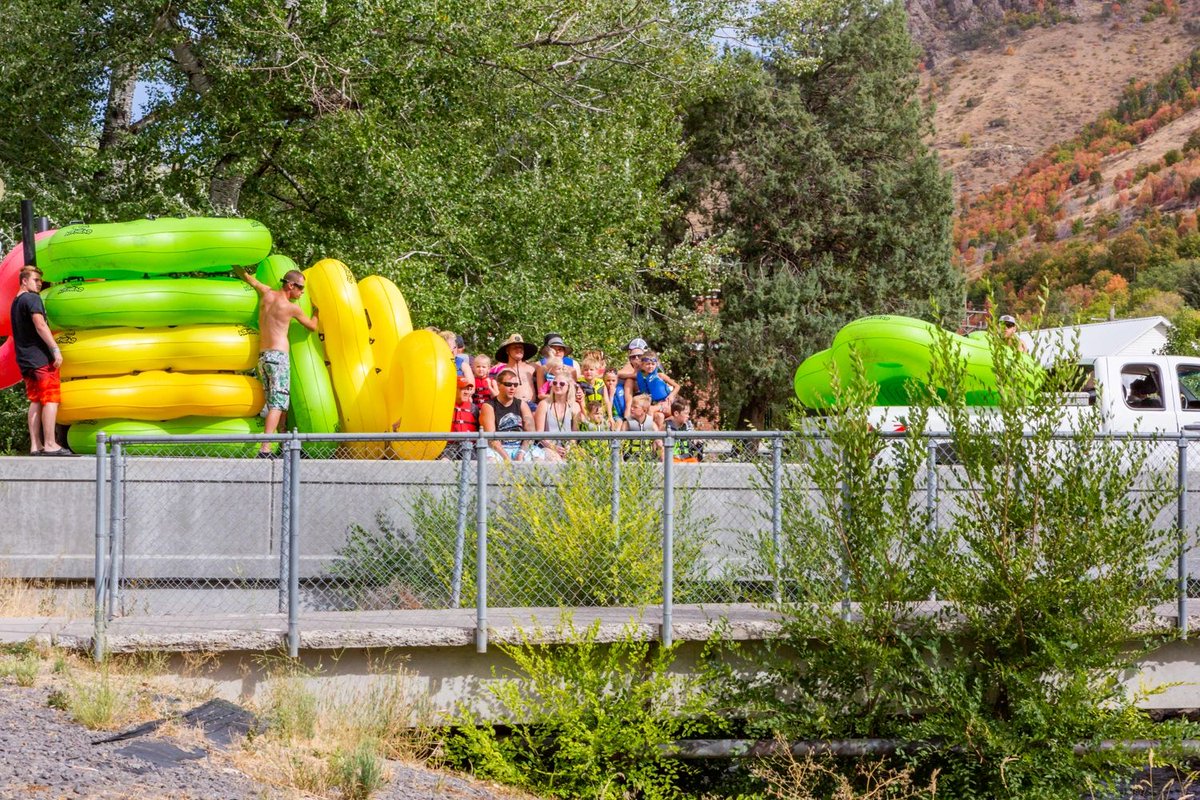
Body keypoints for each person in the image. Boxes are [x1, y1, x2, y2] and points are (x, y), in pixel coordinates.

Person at [234, 264, 319, 457]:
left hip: (263, 358)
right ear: (290, 285)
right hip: (278, 357)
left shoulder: (266, 293)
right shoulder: (291, 308)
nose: (302, 293)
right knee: (278, 404)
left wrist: (236, 265)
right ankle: (265, 449)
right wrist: (316, 312)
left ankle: (282, 443)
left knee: (278, 401)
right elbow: (312, 327)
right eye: (301, 288)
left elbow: (249, 278)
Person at [11, 266, 68, 455]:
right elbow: (41, 325)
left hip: (26, 360)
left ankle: (36, 446)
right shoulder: (32, 298)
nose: (39, 284)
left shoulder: (16, 302)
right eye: (35, 280)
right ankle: (50, 444)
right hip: (41, 359)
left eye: (40, 280)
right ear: (24, 280)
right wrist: (55, 349)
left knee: (35, 400)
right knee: (51, 399)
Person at [480, 367, 541, 462]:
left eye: (515, 385)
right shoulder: (489, 406)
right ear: (498, 385)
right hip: (498, 449)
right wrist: (507, 458)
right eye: (508, 384)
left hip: (520, 448)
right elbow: (491, 439)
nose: (512, 388)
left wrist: (521, 453)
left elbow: (531, 433)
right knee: (490, 458)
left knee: (538, 457)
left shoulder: (522, 404)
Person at [534, 373, 578, 460]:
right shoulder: (544, 404)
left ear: (569, 387)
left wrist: (569, 448)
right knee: (555, 459)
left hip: (567, 447)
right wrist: (553, 447)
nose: (557, 386)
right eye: (554, 383)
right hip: (547, 447)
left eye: (562, 384)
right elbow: (539, 434)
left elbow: (575, 433)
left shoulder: (575, 406)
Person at [634, 349, 680, 427]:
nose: (650, 366)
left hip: (668, 404)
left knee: (650, 409)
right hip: (658, 405)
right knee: (659, 416)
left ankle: (645, 431)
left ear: (656, 364)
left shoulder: (660, 375)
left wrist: (671, 395)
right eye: (648, 364)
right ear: (642, 365)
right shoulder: (645, 379)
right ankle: (657, 434)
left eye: (653, 364)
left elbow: (677, 386)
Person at [492, 333, 539, 409]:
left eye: (521, 347)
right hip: (514, 408)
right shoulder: (503, 372)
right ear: (507, 351)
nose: (519, 349)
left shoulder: (532, 367)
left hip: (533, 407)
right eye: (515, 347)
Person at [445, 378, 479, 460]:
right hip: (449, 447)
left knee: (473, 462)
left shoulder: (474, 408)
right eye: (462, 389)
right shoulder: (446, 406)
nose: (466, 392)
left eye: (468, 389)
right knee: (444, 461)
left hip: (469, 446)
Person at [535, 333, 578, 398]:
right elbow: (541, 394)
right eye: (554, 349)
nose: (557, 352)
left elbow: (574, 391)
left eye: (560, 349)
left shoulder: (572, 370)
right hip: (548, 401)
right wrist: (555, 397)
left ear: (564, 352)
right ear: (549, 352)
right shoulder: (542, 369)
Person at [622, 394, 662, 460]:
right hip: (631, 459)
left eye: (635, 407)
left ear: (644, 410)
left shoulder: (652, 424)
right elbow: (621, 444)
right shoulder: (627, 423)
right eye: (631, 406)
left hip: (648, 458)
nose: (631, 409)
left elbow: (659, 443)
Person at [617, 337, 647, 417]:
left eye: (639, 356)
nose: (636, 359)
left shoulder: (651, 364)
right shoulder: (629, 366)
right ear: (630, 359)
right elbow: (616, 373)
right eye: (633, 357)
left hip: (649, 397)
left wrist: (634, 375)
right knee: (629, 380)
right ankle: (627, 413)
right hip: (635, 398)